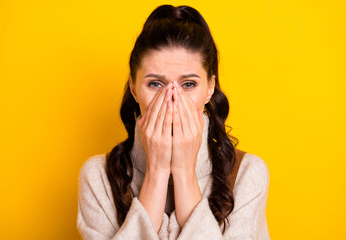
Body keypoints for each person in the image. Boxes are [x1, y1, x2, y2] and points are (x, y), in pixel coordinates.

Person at [77, 4, 270, 240]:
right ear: (133, 88)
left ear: (210, 88)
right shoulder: (98, 177)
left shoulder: (247, 174)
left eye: (188, 84)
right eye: (155, 84)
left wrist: (184, 172)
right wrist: (156, 172)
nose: (171, 100)